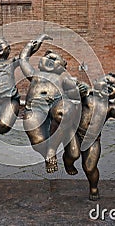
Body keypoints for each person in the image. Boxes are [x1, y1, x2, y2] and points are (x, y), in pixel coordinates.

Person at [63, 73, 115, 200]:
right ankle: (68, 163)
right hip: (75, 133)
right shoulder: (86, 96)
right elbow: (70, 87)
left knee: (90, 168)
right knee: (73, 154)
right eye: (106, 82)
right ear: (96, 81)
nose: (109, 86)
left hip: (93, 140)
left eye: (114, 86)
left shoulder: (110, 108)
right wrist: (77, 89)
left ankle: (94, 187)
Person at [19, 34, 81, 173]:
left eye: (55, 59)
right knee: (37, 141)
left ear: (63, 65)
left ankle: (53, 151)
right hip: (35, 108)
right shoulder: (35, 74)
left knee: (74, 154)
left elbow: (74, 91)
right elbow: (23, 59)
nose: (50, 60)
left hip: (57, 104)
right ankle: (47, 153)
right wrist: (34, 43)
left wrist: (79, 88)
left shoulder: (63, 76)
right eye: (47, 57)